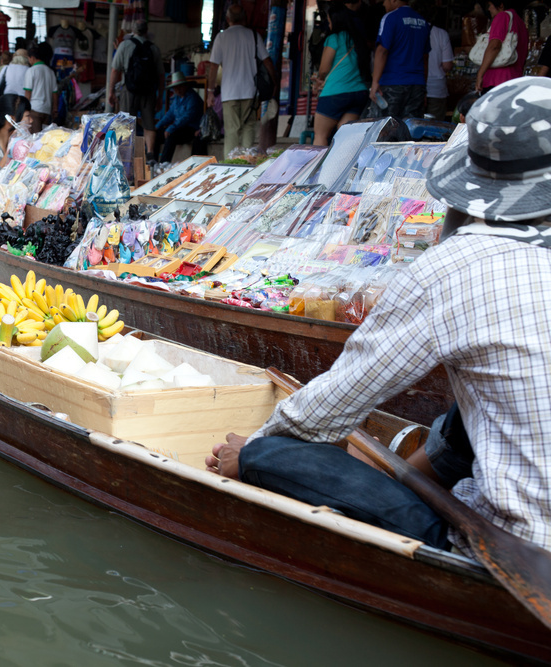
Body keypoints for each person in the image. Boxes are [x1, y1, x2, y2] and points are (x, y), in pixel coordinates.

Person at [206, 76, 551, 559]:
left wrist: (250, 454)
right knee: (467, 410)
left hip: (518, 552)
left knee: (271, 453)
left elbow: (327, 410)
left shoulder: (458, 265)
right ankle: (414, 485)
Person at [206, 6, 276, 159]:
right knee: (248, 127)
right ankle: (248, 161)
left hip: (229, 92)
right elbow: (267, 62)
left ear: (228, 19)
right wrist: (274, 82)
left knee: (231, 130)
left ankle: (230, 163)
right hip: (250, 90)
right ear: (245, 18)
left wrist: (210, 91)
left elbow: (213, 66)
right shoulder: (253, 36)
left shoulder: (221, 37)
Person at [311, 7, 372, 146]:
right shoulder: (358, 39)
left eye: (329, 21)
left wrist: (320, 79)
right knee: (345, 137)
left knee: (321, 135)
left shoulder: (334, 39)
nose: (328, 24)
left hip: (335, 93)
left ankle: (319, 161)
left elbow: (324, 69)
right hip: (358, 93)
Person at [109, 20, 166, 160]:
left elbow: (115, 70)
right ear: (146, 31)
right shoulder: (154, 48)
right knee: (149, 124)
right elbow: (161, 75)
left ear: (132, 31)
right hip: (148, 92)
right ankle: (150, 154)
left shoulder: (124, 45)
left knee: (126, 123)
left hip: (129, 90)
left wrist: (110, 91)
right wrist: (160, 96)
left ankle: (126, 155)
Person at [370, 0, 430, 119]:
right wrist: (424, 87)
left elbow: (382, 51)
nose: (384, 4)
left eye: (385, 0)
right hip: (417, 84)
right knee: (411, 126)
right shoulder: (423, 22)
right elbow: (425, 58)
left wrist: (375, 82)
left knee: (386, 125)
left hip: (392, 83)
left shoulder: (390, 18)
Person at [475, 0, 529, 94]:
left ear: (501, 5)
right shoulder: (520, 22)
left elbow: (494, 46)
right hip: (514, 80)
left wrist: (480, 74)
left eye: (490, 5)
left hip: (496, 80)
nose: (489, 9)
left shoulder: (502, 16)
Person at [155, 73, 206, 163]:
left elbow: (187, 117)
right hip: (179, 127)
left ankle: (164, 163)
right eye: (176, 87)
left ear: (185, 86)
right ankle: (153, 162)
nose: (178, 89)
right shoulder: (177, 99)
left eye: (180, 86)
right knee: (156, 134)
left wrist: (171, 128)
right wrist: (157, 126)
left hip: (191, 129)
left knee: (171, 136)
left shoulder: (192, 97)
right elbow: (169, 115)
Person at [425, 14, 454, 119]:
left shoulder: (409, 32)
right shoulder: (441, 34)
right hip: (436, 88)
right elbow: (447, 65)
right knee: (434, 124)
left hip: (413, 86)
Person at [24, 42, 56, 132]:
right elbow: (55, 93)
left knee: (35, 137)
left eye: (28, 58)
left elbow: (28, 92)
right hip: (47, 110)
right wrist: (55, 109)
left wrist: (25, 109)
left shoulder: (31, 71)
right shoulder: (50, 71)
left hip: (35, 109)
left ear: (32, 58)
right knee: (44, 136)